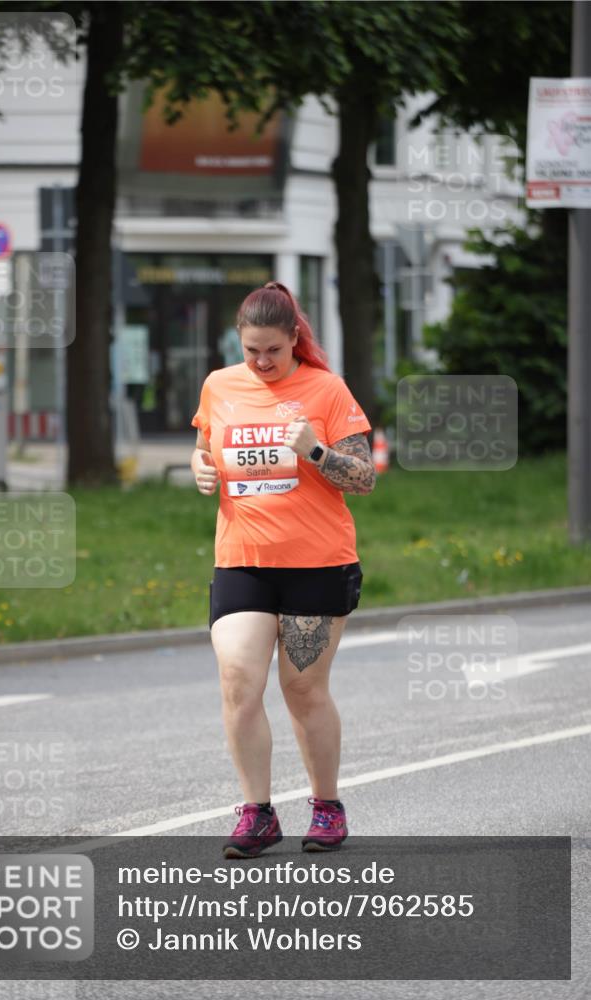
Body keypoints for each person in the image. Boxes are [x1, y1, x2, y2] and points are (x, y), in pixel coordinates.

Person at [191, 281, 375, 859]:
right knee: (238, 682)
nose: (263, 362)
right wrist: (199, 469)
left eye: (273, 349)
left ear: (295, 338)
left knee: (301, 689)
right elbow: (205, 449)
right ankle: (257, 813)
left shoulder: (326, 389)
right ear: (238, 343)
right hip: (243, 559)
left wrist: (315, 451)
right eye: (252, 351)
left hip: (316, 563)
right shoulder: (220, 386)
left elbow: (365, 478)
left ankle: (326, 806)